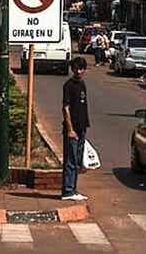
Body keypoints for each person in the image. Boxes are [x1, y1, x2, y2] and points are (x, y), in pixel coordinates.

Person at [62, 56, 90, 201]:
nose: (78, 71)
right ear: (72, 69)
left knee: (77, 160)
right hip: (72, 129)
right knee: (70, 160)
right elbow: (66, 108)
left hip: (82, 127)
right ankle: (67, 191)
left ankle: (73, 189)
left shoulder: (82, 84)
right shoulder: (69, 85)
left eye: (81, 68)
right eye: (75, 68)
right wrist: (70, 129)